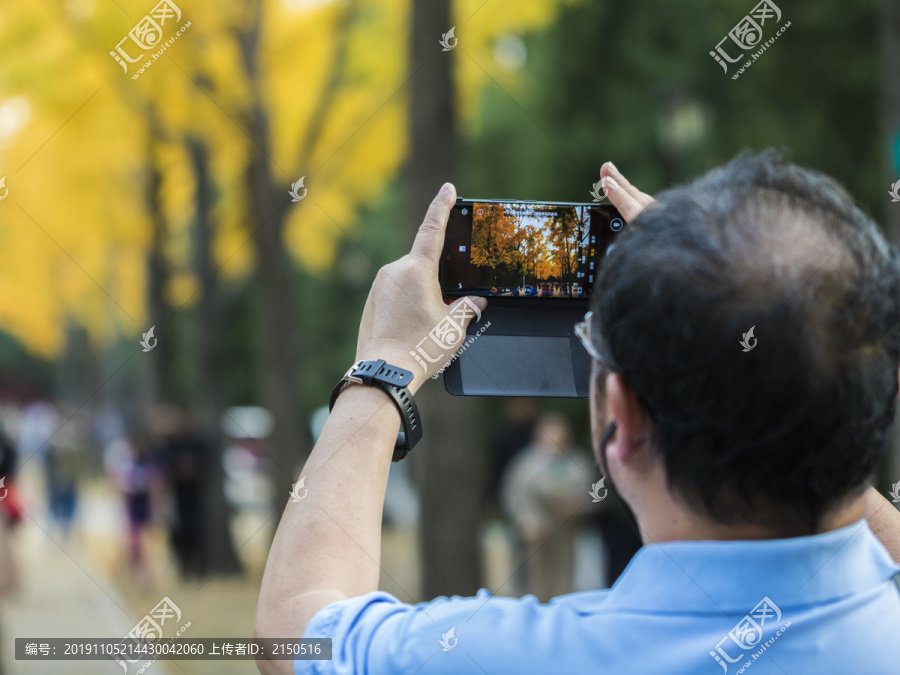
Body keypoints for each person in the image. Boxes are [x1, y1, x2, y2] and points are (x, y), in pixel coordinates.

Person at [255, 156, 900, 674]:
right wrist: (793, 386)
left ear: (624, 418)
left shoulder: (528, 656)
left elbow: (296, 630)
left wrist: (387, 366)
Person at [500, 412, 592, 601]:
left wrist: (575, 507)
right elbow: (513, 496)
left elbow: (592, 497)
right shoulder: (525, 465)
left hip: (566, 532)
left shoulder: (578, 463)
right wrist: (526, 522)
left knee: (563, 577)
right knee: (534, 581)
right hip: (536, 533)